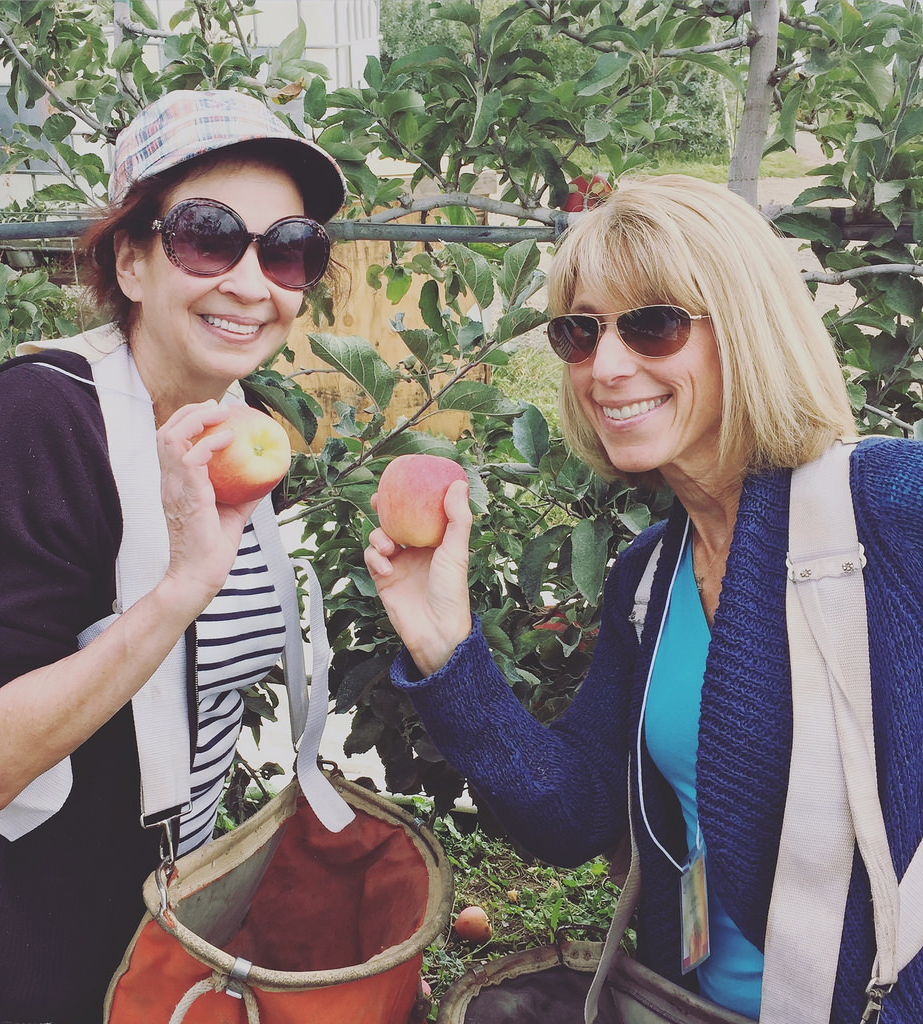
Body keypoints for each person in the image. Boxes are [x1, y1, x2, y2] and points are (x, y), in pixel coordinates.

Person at [365, 175, 923, 1022]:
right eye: (580, 333)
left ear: (745, 330)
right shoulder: (648, 578)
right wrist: (446, 646)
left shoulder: (884, 508)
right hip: (700, 1002)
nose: (611, 366)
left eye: (653, 324)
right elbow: (575, 815)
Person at [0, 89, 345, 1024]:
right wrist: (181, 590)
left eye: (288, 248)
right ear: (133, 259)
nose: (253, 281)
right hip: (23, 961)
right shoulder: (41, 420)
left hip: (149, 933)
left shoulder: (232, 427)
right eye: (208, 237)